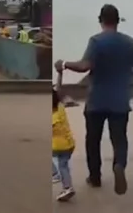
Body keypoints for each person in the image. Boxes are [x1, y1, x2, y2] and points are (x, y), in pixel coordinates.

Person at [55, 4, 133, 195]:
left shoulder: (96, 41)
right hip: (120, 100)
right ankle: (119, 165)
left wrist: (65, 64)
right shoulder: (130, 42)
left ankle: (95, 177)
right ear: (118, 21)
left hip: (97, 100)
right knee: (119, 138)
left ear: (100, 20)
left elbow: (85, 66)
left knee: (93, 140)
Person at [52, 67, 76, 202]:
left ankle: (55, 174)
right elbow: (59, 89)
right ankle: (67, 187)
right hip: (69, 144)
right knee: (64, 165)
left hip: (57, 147)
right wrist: (60, 73)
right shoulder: (60, 106)